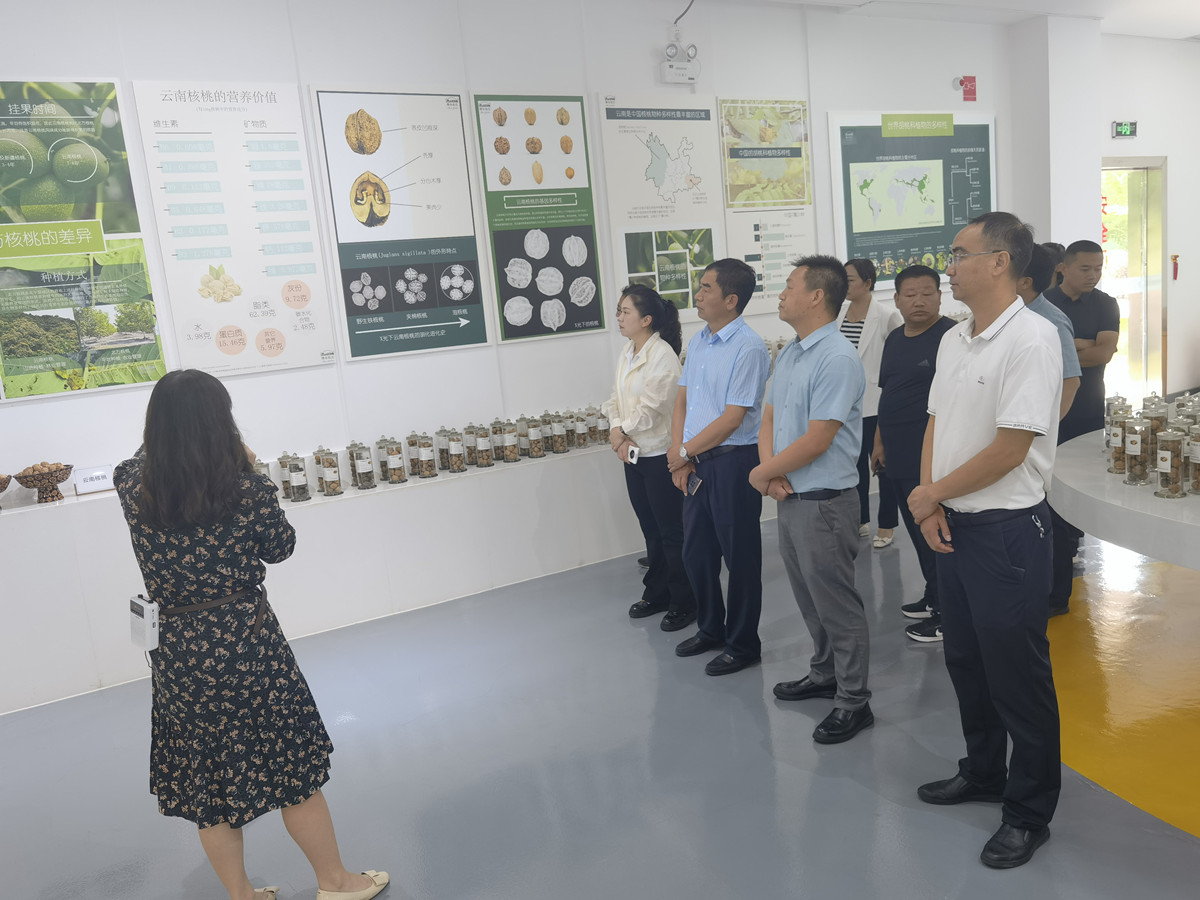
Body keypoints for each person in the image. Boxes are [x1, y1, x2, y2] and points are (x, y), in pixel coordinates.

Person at [114, 370, 388, 900]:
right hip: (248, 642)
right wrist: (243, 460)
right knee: (294, 771)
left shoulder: (132, 486)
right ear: (222, 423)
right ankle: (335, 883)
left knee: (210, 785)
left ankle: (241, 895)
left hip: (179, 652)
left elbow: (140, 457)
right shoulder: (246, 488)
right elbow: (279, 548)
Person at [908, 212, 1063, 870]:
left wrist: (932, 495)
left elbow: (1010, 449)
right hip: (954, 524)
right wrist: (929, 500)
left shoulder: (1032, 339)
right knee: (967, 662)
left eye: (958, 254)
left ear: (999, 262)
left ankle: (1028, 812)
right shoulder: (955, 339)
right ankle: (983, 771)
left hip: (1006, 532)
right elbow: (935, 424)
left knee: (1017, 676)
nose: (948, 265)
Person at [750, 255, 873, 744]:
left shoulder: (836, 358)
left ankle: (854, 701)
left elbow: (819, 438)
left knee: (837, 606)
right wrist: (770, 475)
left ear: (817, 296)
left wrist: (761, 473)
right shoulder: (792, 353)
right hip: (790, 495)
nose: (781, 294)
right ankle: (825, 674)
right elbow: (769, 419)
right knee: (809, 600)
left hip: (824, 503)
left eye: (788, 286)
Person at [667, 258, 771, 676]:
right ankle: (711, 628)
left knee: (740, 557)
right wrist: (680, 454)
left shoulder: (749, 347)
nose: (698, 294)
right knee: (697, 553)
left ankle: (743, 644)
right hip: (696, 462)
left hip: (733, 462)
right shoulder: (700, 340)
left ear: (731, 300)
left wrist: (684, 451)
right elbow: (683, 401)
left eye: (706, 287)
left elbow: (732, 418)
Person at [602, 284, 696, 632]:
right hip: (633, 455)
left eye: (625, 311)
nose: (619, 317)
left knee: (672, 533)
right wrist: (617, 429)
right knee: (651, 530)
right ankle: (657, 593)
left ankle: (685, 601)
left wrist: (620, 431)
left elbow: (653, 408)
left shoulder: (663, 357)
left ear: (646, 319)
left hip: (658, 456)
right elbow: (614, 398)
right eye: (619, 310)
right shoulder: (628, 352)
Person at [871, 265, 956, 642]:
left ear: (940, 296)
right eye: (910, 294)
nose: (919, 301)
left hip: (932, 459)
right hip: (897, 454)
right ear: (897, 300)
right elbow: (887, 393)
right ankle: (934, 596)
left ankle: (949, 613)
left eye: (927, 293)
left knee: (937, 534)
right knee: (917, 533)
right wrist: (879, 442)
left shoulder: (952, 337)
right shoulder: (894, 338)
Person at [1043, 239, 1119, 614]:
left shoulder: (1106, 304)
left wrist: (1065, 348)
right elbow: (1042, 358)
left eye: (1098, 268)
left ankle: (1072, 544)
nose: (1093, 275)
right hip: (1051, 412)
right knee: (1050, 487)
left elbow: (1104, 353)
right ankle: (1057, 553)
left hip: (1088, 412)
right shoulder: (1044, 303)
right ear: (1063, 268)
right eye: (1085, 268)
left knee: (1081, 485)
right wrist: (1080, 345)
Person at [838, 259, 903, 547]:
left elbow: (898, 358)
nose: (844, 284)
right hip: (846, 405)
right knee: (853, 467)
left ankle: (887, 525)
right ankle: (860, 519)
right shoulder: (838, 315)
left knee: (881, 466)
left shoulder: (887, 316)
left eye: (850, 279)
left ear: (867, 283)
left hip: (877, 403)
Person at [1017, 243, 1082, 422]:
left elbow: (1070, 382)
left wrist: (1043, 428)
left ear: (1025, 282)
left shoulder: (1053, 320)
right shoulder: (1007, 314)